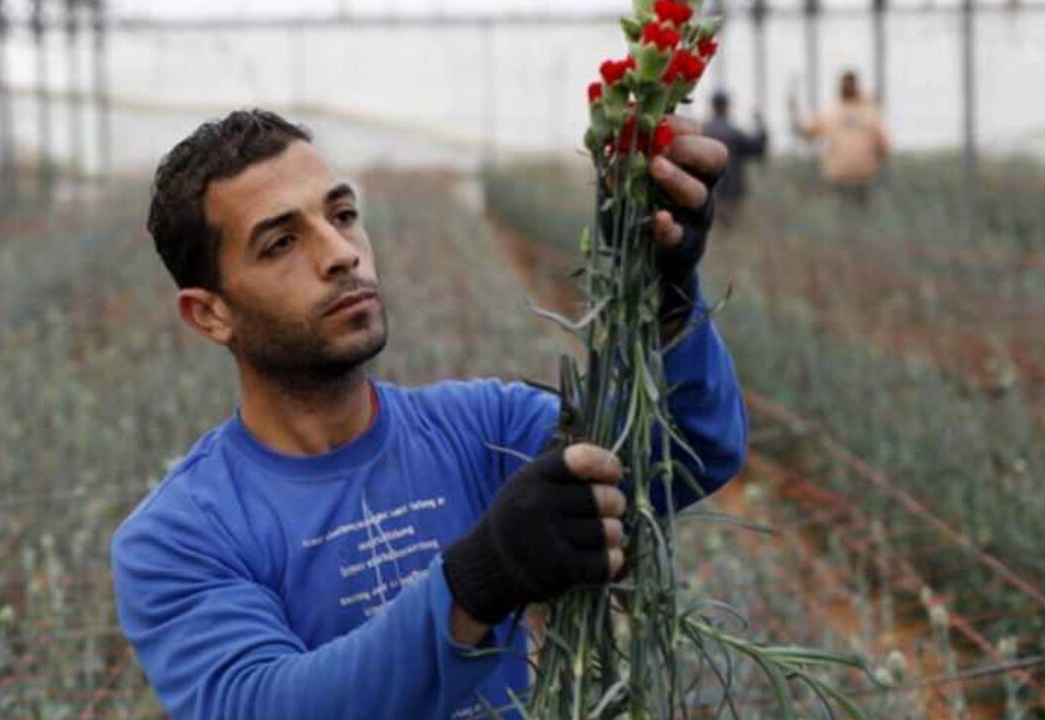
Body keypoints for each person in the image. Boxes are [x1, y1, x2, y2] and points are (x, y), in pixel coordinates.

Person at [110, 109, 747, 720]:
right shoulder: (179, 537)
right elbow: (269, 705)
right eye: (280, 242)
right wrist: (483, 575)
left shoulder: (485, 430)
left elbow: (681, 454)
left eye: (343, 215)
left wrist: (659, 292)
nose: (341, 254)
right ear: (209, 313)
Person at [790, 70, 890, 203]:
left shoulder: (868, 111)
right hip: (839, 177)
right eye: (845, 84)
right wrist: (793, 114)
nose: (847, 87)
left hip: (862, 178)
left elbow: (882, 144)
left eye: (849, 84)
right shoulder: (830, 112)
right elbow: (807, 133)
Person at [702, 89, 768, 225]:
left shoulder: (703, 131)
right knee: (730, 230)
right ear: (727, 107)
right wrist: (761, 125)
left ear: (712, 106)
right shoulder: (735, 133)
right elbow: (758, 148)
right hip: (733, 193)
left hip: (708, 193)